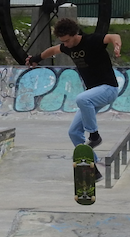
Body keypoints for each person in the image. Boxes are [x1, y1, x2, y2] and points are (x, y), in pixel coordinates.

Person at [26, 18, 122, 176]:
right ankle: (93, 167)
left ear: (75, 34)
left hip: (108, 88)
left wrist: (116, 46)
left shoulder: (92, 40)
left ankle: (94, 136)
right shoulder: (66, 47)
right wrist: (37, 58)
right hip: (94, 95)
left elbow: (113, 36)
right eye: (63, 41)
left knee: (82, 99)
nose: (66, 44)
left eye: (68, 40)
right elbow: (52, 50)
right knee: (74, 132)